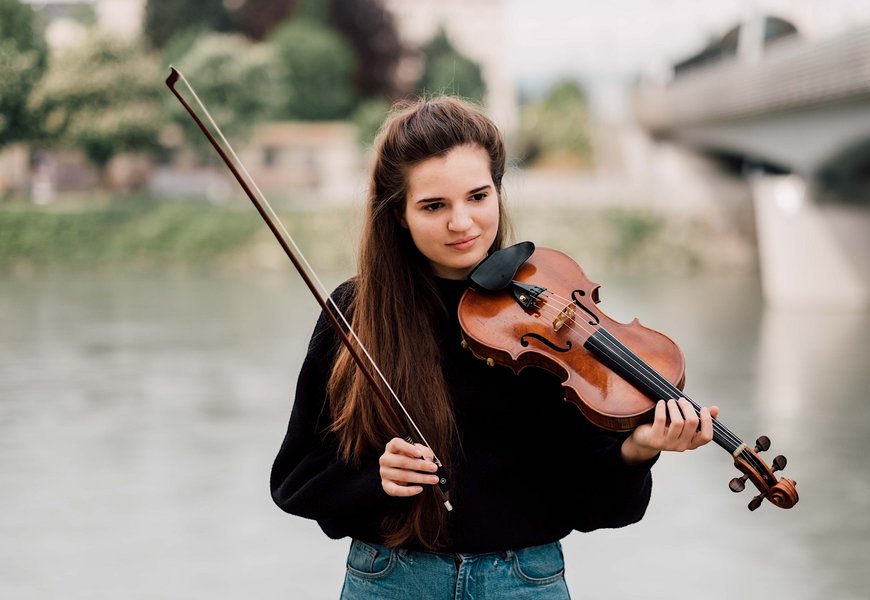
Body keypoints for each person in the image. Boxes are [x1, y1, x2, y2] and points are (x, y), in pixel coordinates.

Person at [270, 97, 718, 599]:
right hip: (392, 581)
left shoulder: (552, 312)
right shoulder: (357, 311)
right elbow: (295, 477)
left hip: (524, 582)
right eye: (434, 205)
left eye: (478, 196)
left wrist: (637, 451)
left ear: (498, 192)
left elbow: (594, 506)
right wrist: (377, 479)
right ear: (398, 213)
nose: (462, 223)